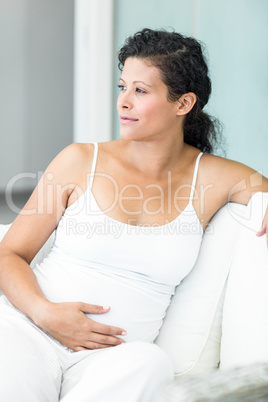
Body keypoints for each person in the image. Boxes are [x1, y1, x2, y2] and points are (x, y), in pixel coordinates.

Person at [0, 28, 267, 401]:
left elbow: (262, 191)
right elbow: (9, 254)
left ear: (183, 103)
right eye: (122, 87)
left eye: (140, 91)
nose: (123, 101)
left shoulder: (214, 177)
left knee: (151, 362)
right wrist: (46, 314)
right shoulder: (80, 160)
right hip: (29, 330)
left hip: (112, 361)